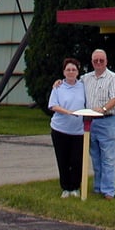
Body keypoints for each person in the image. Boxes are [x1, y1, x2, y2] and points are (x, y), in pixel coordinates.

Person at [81, 48, 115, 200]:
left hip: (107, 121)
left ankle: (108, 191)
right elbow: (72, 84)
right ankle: (98, 187)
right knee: (95, 156)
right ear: (92, 62)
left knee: (108, 157)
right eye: (95, 61)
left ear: (106, 61)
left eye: (101, 60)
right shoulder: (86, 78)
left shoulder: (113, 78)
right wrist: (58, 82)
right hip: (91, 122)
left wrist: (104, 108)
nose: (98, 63)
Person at [47, 57, 85, 198]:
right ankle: (65, 188)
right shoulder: (58, 87)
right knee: (62, 160)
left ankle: (75, 187)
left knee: (76, 160)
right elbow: (53, 105)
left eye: (73, 69)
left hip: (79, 131)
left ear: (78, 71)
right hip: (60, 130)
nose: (71, 72)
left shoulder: (83, 85)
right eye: (68, 69)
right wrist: (67, 112)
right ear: (63, 72)